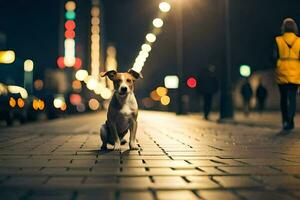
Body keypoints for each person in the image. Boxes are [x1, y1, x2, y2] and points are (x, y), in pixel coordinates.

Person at [274, 18, 300, 131]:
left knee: (283, 98)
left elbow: (273, 56)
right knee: (293, 97)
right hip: (295, 72)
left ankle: (285, 121)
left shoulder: (278, 40)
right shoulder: (299, 41)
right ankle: (291, 119)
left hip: (282, 71)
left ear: (283, 27)